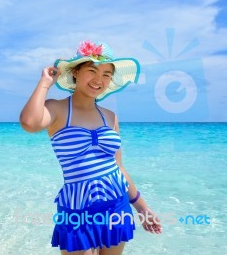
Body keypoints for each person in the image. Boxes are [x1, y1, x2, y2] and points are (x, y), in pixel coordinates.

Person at [19, 40, 162, 255]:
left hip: (116, 205)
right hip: (77, 208)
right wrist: (45, 83)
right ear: (76, 72)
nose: (99, 80)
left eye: (106, 74)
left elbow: (118, 167)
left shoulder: (110, 116)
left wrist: (142, 207)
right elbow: (29, 123)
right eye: (92, 71)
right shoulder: (57, 109)